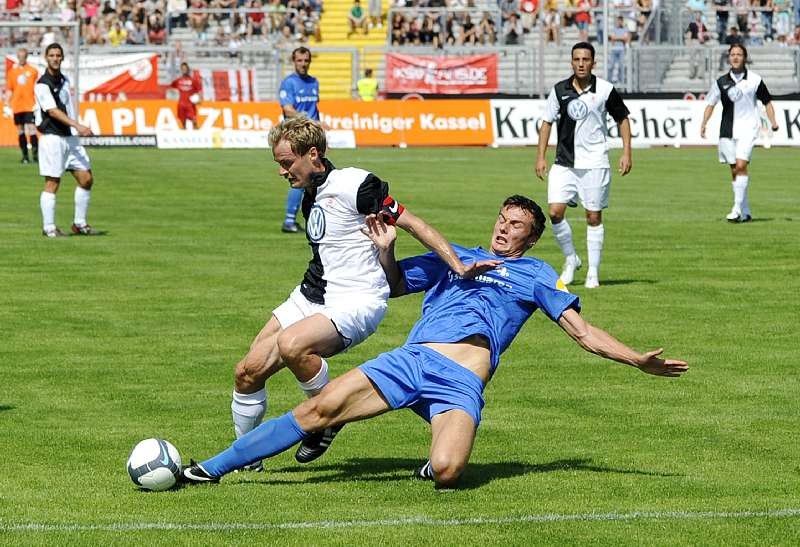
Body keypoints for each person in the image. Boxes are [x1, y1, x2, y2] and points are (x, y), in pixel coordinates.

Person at [179, 195, 688, 489]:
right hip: (412, 361)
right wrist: (387, 250)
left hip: (460, 383)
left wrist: (635, 359)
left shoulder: (536, 274)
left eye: (516, 226)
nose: (504, 229)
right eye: (502, 219)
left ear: (532, 239)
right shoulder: (454, 256)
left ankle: (432, 456)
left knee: (447, 473)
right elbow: (395, 284)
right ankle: (211, 468)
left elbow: (583, 331)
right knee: (317, 411)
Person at [223, 116, 496, 471]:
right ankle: (247, 461)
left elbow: (414, 224)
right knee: (247, 371)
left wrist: (458, 266)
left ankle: (328, 414)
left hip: (356, 300)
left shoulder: (356, 185)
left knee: (292, 345)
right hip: (311, 294)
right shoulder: (310, 194)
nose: (281, 171)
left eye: (286, 163)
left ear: (313, 155)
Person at [535, 42, 632, 289]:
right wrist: (540, 156)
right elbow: (546, 122)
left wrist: (626, 152)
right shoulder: (559, 90)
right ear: (571, 62)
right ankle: (571, 259)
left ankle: (593, 272)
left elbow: (622, 119)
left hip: (595, 162)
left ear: (593, 63)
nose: (581, 64)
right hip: (564, 162)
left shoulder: (605, 90)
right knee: (555, 212)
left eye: (585, 59)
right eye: (577, 59)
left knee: (593, 216)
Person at [700, 44, 778, 223]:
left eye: (739, 54)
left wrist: (773, 121)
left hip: (748, 129)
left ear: (745, 57)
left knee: (741, 166)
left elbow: (767, 102)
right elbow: (710, 103)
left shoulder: (755, 80)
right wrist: (704, 123)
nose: (735, 57)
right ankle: (746, 210)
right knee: (735, 169)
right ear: (729, 58)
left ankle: (736, 209)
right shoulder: (720, 82)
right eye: (732, 54)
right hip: (727, 130)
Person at [33, 43, 98, 238]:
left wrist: (74, 128)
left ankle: (79, 223)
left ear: (62, 58)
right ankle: (49, 227)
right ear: (46, 58)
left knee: (86, 178)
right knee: (52, 182)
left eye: (58, 55)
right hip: (52, 138)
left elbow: (67, 106)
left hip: (70, 138)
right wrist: (78, 125)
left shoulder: (65, 80)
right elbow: (52, 111)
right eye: (51, 55)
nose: (55, 58)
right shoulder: (42, 84)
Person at [278, 46, 319, 234]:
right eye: (299, 60)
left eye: (306, 60)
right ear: (293, 61)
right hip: (296, 136)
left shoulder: (314, 82)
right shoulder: (289, 83)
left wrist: (320, 135)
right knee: (300, 177)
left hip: (312, 137)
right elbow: (288, 110)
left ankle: (313, 220)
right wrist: (309, 121)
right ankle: (289, 220)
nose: (303, 64)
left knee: (315, 178)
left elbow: (314, 109)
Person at [3, 47, 39, 164]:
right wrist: (6, 103)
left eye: (23, 57)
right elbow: (10, 89)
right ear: (17, 57)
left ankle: (35, 155)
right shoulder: (12, 72)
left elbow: (38, 88)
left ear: (26, 57)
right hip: (17, 106)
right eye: (20, 57)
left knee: (32, 129)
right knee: (20, 131)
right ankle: (25, 156)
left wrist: (38, 102)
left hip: (30, 105)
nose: (21, 59)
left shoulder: (33, 71)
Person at [169, 62, 202, 129]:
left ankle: (196, 133)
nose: (184, 70)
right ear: (181, 70)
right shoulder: (178, 80)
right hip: (181, 104)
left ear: (188, 69)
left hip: (190, 104)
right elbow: (171, 86)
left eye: (185, 68)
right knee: (183, 123)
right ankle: (184, 131)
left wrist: (199, 99)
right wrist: (173, 94)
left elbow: (199, 90)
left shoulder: (193, 81)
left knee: (194, 122)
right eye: (182, 69)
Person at [685, 11, 708, 79]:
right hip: (694, 41)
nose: (698, 16)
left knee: (702, 59)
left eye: (699, 15)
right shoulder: (692, 24)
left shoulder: (703, 24)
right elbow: (689, 33)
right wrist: (689, 43)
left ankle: (701, 74)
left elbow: (706, 32)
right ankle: (691, 74)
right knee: (692, 59)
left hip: (701, 43)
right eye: (697, 15)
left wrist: (705, 36)